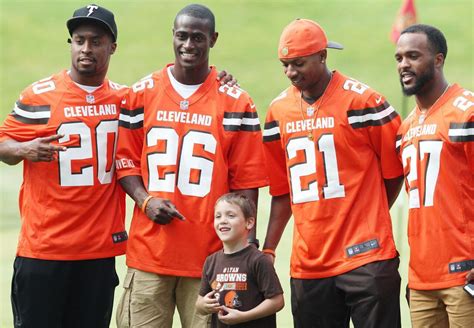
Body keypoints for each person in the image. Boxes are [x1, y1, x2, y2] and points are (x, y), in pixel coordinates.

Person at [114, 4, 268, 328]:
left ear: (213, 39)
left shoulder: (236, 102)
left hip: (210, 260)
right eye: (182, 36)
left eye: (198, 38)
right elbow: (125, 161)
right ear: (172, 36)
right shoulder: (141, 94)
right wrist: (146, 200)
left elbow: (246, 183)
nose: (189, 45)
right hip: (149, 255)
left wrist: (241, 250)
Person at [261, 19, 404, 328]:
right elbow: (282, 190)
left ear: (323, 56)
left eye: (298, 63)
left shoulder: (364, 102)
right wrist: (269, 249)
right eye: (285, 65)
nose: (290, 72)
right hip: (309, 262)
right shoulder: (278, 111)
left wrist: (370, 213)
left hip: (367, 256)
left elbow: (395, 171)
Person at [0, 5, 126, 327]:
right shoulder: (40, 96)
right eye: (79, 40)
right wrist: (24, 148)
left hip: (97, 254)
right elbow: (2, 144)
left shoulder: (126, 101)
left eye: (96, 41)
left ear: (112, 47)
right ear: (70, 43)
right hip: (43, 250)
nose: (86, 49)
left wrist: (217, 77)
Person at [394, 24, 474, 327]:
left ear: (438, 60)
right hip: (422, 277)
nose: (404, 65)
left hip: (465, 272)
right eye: (399, 58)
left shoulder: (466, 112)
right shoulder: (406, 127)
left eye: (413, 56)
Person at [196, 193, 284, 327]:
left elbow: (277, 301)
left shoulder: (259, 260)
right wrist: (203, 305)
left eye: (231, 215)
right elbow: (200, 302)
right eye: (218, 216)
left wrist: (245, 316)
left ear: (249, 223)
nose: (223, 220)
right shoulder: (211, 261)